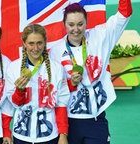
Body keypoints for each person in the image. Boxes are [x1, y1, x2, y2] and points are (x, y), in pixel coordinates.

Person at [49, 0, 132, 144]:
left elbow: (124, 14)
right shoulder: (55, 52)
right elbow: (53, 91)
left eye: (80, 24)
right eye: (71, 25)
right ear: (64, 25)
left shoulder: (100, 36)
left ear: (86, 23)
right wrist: (70, 83)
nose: (76, 29)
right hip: (69, 121)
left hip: (96, 119)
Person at [4, 23, 70, 144]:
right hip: (22, 136)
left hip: (49, 136)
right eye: (31, 43)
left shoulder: (56, 68)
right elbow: (14, 104)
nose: (35, 48)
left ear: (45, 42)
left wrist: (63, 134)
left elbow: (61, 104)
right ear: (24, 43)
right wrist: (20, 91)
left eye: (39, 43)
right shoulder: (13, 68)